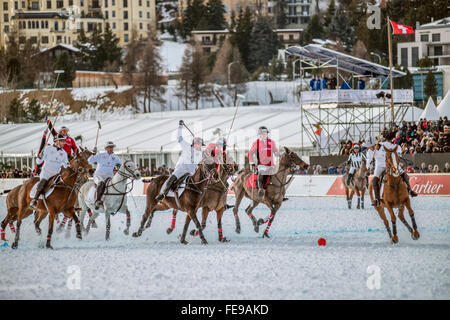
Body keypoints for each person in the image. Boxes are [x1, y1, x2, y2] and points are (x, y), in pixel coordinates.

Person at [156, 120, 205, 201]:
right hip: (182, 169)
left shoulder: (202, 153)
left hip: (193, 171)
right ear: (194, 144)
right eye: (198, 144)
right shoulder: (187, 146)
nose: (199, 146)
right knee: (173, 178)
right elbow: (179, 137)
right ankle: (163, 194)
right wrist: (180, 127)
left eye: (200, 145)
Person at [369, 132, 417, 207]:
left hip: (391, 164)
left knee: (404, 175)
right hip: (380, 165)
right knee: (375, 180)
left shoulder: (389, 145)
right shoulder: (379, 146)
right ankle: (377, 199)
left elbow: (396, 155)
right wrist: (372, 159)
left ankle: (410, 190)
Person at [30, 134, 69, 209]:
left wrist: (69, 164)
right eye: (62, 141)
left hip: (56, 174)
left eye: (64, 141)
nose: (64, 143)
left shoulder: (64, 153)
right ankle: (35, 200)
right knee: (42, 183)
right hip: (46, 172)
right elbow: (38, 162)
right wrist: (40, 155)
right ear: (57, 141)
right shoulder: (47, 149)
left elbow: (66, 165)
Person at [88, 141, 122, 209]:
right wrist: (93, 154)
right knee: (101, 184)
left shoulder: (116, 158)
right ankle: (97, 201)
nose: (111, 148)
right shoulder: (100, 155)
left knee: (115, 186)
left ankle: (112, 204)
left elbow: (121, 166)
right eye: (109, 147)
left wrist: (119, 166)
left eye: (112, 147)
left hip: (109, 176)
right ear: (106, 148)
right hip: (99, 175)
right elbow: (89, 161)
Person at [248, 126, 280, 197]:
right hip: (261, 164)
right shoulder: (256, 142)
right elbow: (250, 153)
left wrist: (278, 154)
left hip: (271, 164)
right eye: (262, 134)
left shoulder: (271, 142)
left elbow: (276, 151)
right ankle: (260, 189)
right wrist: (252, 163)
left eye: (265, 133)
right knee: (262, 174)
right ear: (260, 135)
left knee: (278, 176)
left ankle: (279, 193)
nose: (264, 135)